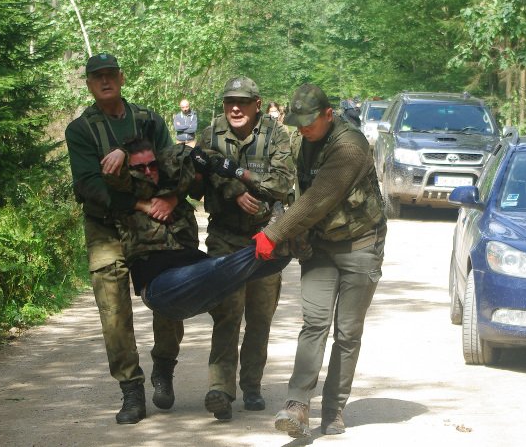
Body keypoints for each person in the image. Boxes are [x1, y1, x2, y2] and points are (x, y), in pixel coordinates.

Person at [252, 83, 387, 438]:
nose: (303, 129)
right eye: (299, 123)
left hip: (361, 246)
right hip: (321, 247)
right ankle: (297, 405)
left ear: (329, 114)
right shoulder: (301, 141)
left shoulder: (350, 147)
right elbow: (294, 188)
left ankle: (334, 409)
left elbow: (318, 199)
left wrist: (274, 234)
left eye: (310, 123)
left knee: (347, 333)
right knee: (314, 324)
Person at [64, 53, 183, 425]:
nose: (105, 81)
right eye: (97, 76)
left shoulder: (148, 119)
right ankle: (131, 390)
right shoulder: (81, 130)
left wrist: (171, 197)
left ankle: (163, 367)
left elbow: (173, 162)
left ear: (121, 77)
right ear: (88, 83)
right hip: (107, 227)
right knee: (113, 310)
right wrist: (141, 203)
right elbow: (89, 185)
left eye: (110, 74)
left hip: (153, 226)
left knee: (168, 297)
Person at [103, 139, 291, 321]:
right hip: (162, 287)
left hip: (195, 281)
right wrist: (121, 150)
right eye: (140, 168)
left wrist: (236, 191)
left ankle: (288, 244)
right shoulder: (125, 193)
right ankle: (276, 238)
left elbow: (205, 159)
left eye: (152, 165)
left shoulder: (173, 185)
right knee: (222, 267)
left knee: (269, 264)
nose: (148, 172)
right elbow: (108, 178)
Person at [196, 76, 295, 421]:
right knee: (226, 311)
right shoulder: (210, 133)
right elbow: (204, 170)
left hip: (265, 236)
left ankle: (251, 385)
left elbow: (282, 183)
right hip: (224, 237)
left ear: (257, 103)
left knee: (260, 315)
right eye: (229, 102)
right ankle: (220, 389)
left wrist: (238, 173)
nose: (235, 108)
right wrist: (233, 190)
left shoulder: (275, 134)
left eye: (242, 101)